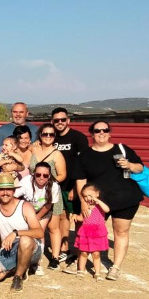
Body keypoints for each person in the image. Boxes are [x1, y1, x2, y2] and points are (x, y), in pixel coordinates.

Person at [73, 120, 144, 280]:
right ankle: (83, 261)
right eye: (97, 131)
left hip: (125, 198)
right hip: (96, 202)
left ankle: (116, 267)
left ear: (110, 132)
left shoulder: (122, 149)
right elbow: (80, 180)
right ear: (92, 134)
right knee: (90, 230)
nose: (101, 133)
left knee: (121, 231)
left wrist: (129, 165)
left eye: (104, 130)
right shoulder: (85, 155)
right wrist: (84, 202)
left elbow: (140, 167)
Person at [0, 173, 44, 293]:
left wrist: (16, 233)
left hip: (30, 247)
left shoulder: (25, 206)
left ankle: (18, 277)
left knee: (25, 240)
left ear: (13, 191)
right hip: (8, 249)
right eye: (2, 189)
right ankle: (16, 268)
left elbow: (39, 232)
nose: (5, 193)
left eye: (8, 189)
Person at [52, 107, 89, 262]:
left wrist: (75, 187)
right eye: (56, 120)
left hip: (74, 185)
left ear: (68, 120)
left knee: (78, 218)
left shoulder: (78, 138)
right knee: (62, 217)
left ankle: (78, 249)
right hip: (57, 185)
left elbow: (84, 164)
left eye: (62, 119)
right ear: (52, 122)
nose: (59, 122)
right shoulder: (51, 137)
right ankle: (65, 249)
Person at [29, 123, 67, 268]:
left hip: (51, 192)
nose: (48, 137)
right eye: (45, 134)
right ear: (40, 135)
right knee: (37, 226)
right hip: (33, 193)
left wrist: (47, 183)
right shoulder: (34, 148)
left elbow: (63, 175)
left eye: (51, 134)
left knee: (53, 227)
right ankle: (36, 256)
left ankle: (55, 257)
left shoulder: (57, 154)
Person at [15, 163, 61, 275]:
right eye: (38, 174)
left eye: (45, 175)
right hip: (26, 209)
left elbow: (49, 205)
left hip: (43, 210)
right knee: (23, 231)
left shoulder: (54, 186)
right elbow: (15, 197)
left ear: (49, 176)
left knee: (39, 233)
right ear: (33, 174)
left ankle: (37, 263)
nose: (41, 177)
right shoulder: (26, 182)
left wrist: (37, 217)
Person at [72, 183, 110, 281]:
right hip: (86, 232)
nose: (88, 198)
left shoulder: (100, 205)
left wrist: (97, 201)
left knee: (96, 254)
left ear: (97, 194)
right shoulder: (85, 207)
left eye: (90, 195)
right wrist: (75, 216)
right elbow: (82, 218)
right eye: (85, 196)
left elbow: (107, 209)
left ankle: (97, 272)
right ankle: (81, 270)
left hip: (97, 233)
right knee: (83, 252)